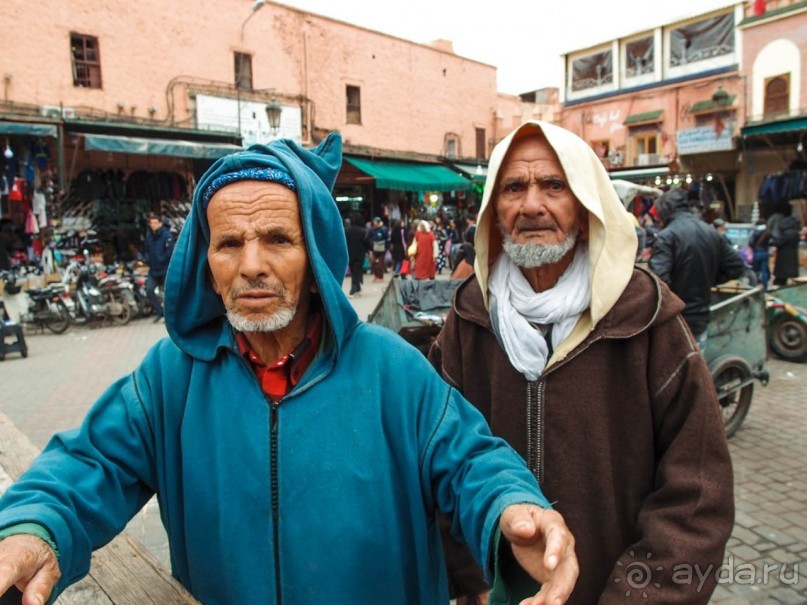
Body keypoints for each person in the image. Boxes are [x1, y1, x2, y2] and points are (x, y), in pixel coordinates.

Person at [0, 133, 579, 605]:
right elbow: (89, 464)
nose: (252, 265)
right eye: (229, 243)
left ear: (316, 255)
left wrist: (512, 506)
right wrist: (33, 527)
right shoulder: (171, 378)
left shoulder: (392, 371)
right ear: (206, 260)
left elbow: (472, 461)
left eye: (278, 238)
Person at [428, 121, 734, 604]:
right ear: (493, 211)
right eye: (514, 188)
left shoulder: (647, 318)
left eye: (554, 185)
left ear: (586, 205)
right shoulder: (468, 320)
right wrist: (474, 583)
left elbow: (696, 497)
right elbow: (440, 463)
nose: (531, 205)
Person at [649, 188, 746, 348]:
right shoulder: (711, 232)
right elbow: (736, 267)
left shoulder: (668, 236)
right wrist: (710, 279)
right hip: (701, 315)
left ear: (665, 211)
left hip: (676, 317)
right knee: (695, 363)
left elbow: (658, 282)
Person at [143, 212, 174, 322]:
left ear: (160, 223)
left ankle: (170, 315)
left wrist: (162, 259)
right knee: (149, 290)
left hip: (164, 269)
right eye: (151, 223)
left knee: (168, 293)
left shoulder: (167, 235)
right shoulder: (149, 236)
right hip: (153, 270)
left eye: (155, 223)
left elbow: (170, 252)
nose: (153, 225)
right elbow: (146, 249)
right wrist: (147, 259)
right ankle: (160, 312)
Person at [769, 202, 801, 286]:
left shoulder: (786, 234)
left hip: (784, 260)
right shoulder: (795, 233)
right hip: (791, 259)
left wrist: (771, 243)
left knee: (780, 278)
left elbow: (778, 242)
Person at [343, 212, 370, 297]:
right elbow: (367, 244)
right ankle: (353, 289)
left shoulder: (346, 231)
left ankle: (357, 288)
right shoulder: (363, 231)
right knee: (356, 271)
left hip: (349, 254)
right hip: (360, 254)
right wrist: (370, 251)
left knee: (353, 270)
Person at [749, 218, 771, 290]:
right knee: (764, 271)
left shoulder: (755, 232)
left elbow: (751, 243)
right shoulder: (767, 232)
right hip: (765, 253)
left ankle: (753, 287)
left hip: (757, 253)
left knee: (754, 271)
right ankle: (765, 287)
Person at [369, 216, 388, 282]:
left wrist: (386, 248)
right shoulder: (372, 229)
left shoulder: (383, 229)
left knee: (380, 263)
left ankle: (381, 277)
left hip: (382, 248)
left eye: (375, 221)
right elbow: (370, 237)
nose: (374, 223)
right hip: (374, 248)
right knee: (373, 262)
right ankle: (376, 276)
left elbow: (386, 238)